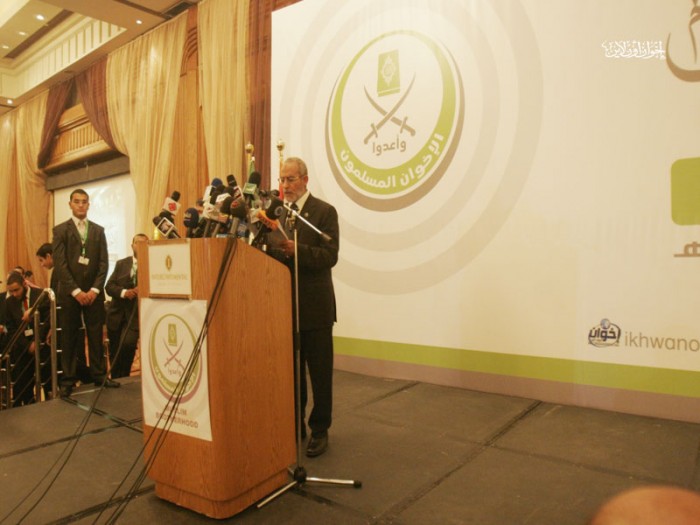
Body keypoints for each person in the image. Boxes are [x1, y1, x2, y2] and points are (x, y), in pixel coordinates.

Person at [276, 157, 339, 457]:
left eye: (290, 179)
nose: (285, 185)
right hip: (285, 307)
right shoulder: (279, 215)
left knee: (320, 374)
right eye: (282, 180)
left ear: (304, 180)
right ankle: (294, 424)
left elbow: (329, 255)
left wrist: (296, 250)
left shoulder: (324, 212)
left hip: (315, 309)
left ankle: (320, 429)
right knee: (292, 375)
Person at [52, 189, 117, 396]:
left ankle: (99, 375)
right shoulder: (60, 231)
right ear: (70, 204)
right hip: (71, 294)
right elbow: (60, 265)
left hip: (93, 294)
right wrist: (77, 291)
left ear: (89, 205)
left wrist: (95, 290)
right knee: (69, 337)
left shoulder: (98, 231)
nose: (81, 205)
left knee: (96, 335)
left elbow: (104, 263)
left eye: (84, 202)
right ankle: (68, 380)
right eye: (77, 201)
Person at [36, 242, 91, 384]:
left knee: (70, 357)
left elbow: (57, 301)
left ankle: (91, 377)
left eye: (41, 260)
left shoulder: (61, 271)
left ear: (49, 256)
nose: (41, 265)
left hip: (67, 321)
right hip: (63, 321)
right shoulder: (58, 270)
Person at [105, 233, 148, 379]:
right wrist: (124, 293)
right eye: (137, 243)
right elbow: (109, 287)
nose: (140, 246)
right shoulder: (121, 264)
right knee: (115, 351)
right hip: (116, 316)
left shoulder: (151, 265)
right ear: (132, 245)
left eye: (143, 243)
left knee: (128, 345)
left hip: (135, 317)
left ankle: (124, 378)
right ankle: (116, 379)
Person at [4, 272, 49, 406]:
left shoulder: (40, 295)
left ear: (24, 284)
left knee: (47, 381)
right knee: (23, 386)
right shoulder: (9, 303)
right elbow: (11, 329)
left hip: (43, 346)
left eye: (16, 290)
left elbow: (47, 320)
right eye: (11, 291)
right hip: (22, 349)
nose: (14, 294)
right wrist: (27, 345)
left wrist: (37, 340)